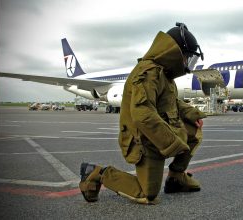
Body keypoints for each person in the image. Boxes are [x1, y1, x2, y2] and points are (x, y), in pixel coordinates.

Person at [78, 22, 206, 205]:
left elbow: (170, 102)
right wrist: (172, 143)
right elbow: (142, 113)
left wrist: (195, 115)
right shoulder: (148, 72)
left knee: (194, 130)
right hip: (143, 139)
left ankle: (176, 178)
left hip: (155, 133)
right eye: (187, 57)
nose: (187, 63)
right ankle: (97, 173)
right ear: (175, 53)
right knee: (147, 195)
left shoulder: (165, 75)